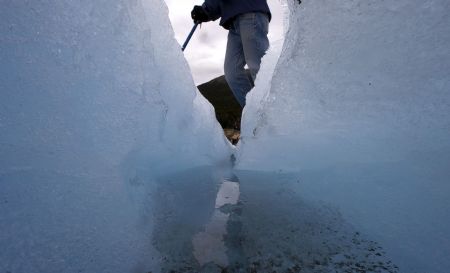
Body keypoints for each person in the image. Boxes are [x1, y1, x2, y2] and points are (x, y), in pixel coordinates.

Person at [191, 0, 271, 108]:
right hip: (234, 23)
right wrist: (205, 11)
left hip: (251, 12)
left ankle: (274, 113)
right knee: (232, 72)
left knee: (259, 67)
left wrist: (206, 8)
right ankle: (256, 115)